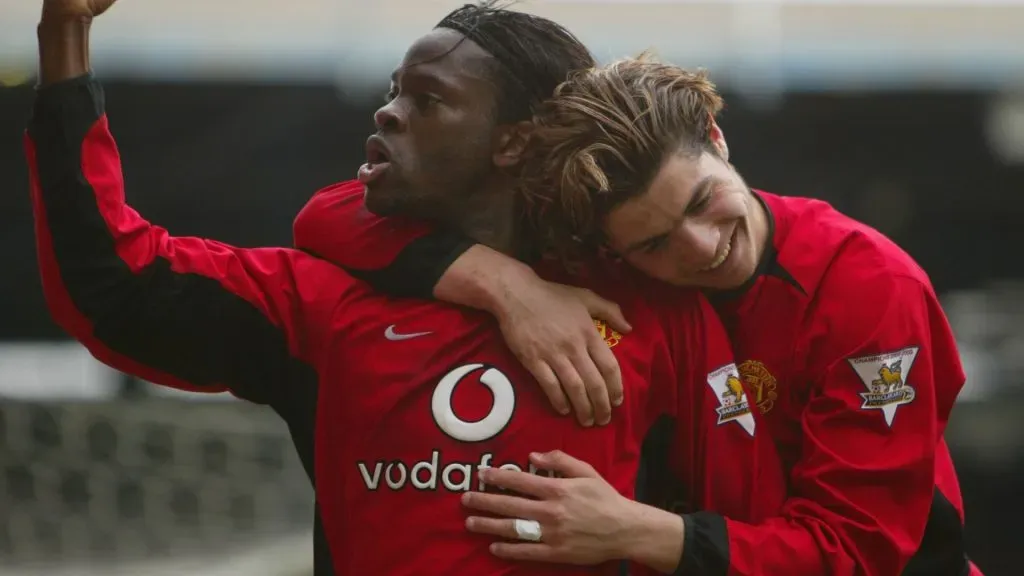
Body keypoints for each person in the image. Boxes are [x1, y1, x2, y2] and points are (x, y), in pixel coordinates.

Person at [29, 1, 786, 574]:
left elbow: (750, 526)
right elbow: (111, 282)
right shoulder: (319, 302)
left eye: (428, 100)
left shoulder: (651, 310)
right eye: (395, 91)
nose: (388, 110)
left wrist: (635, 530)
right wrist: (63, 36)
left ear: (514, 142)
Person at [292, 59, 980, 574]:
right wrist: (502, 283)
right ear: (607, 247)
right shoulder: (602, 266)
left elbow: (859, 552)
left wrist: (635, 532)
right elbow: (332, 211)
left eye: (702, 201)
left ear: (716, 137)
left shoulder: (867, 285)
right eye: (654, 244)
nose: (703, 249)